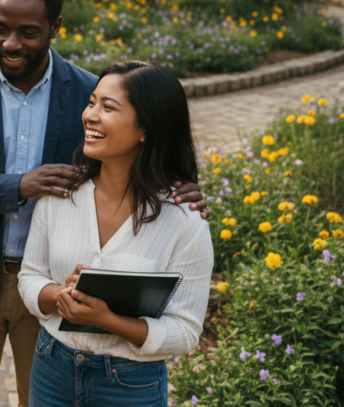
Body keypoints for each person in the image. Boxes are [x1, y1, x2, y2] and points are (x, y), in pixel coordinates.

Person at [0, 0, 208, 407]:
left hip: (59, 280)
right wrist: (20, 185)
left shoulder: (85, 91)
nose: (11, 43)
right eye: (0, 29)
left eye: (29, 31)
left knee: (34, 398)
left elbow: (129, 145)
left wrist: (177, 187)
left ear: (56, 27)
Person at [18, 61, 213, 407]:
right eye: (91, 102)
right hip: (52, 368)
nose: (90, 115)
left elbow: (185, 332)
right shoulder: (61, 193)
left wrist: (107, 320)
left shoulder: (185, 220)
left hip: (130, 384)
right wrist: (62, 295)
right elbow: (30, 276)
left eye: (108, 107)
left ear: (147, 128)